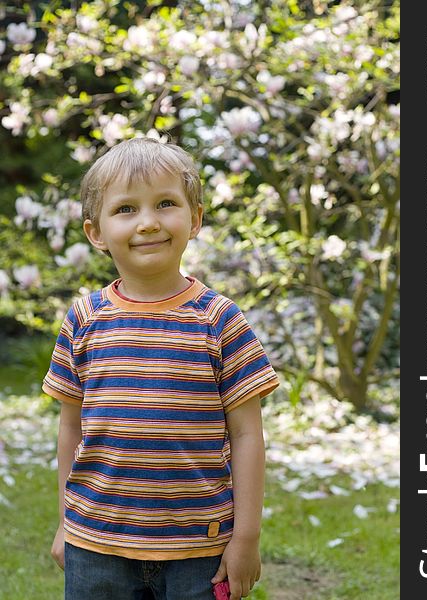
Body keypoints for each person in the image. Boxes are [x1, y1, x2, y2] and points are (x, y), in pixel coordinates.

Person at [42, 137, 280, 600]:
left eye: (165, 204)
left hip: (199, 549)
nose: (148, 223)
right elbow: (70, 428)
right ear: (96, 232)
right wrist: (65, 523)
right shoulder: (84, 320)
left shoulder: (219, 320)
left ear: (194, 219)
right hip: (96, 545)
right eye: (126, 209)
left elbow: (248, 435)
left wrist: (246, 537)